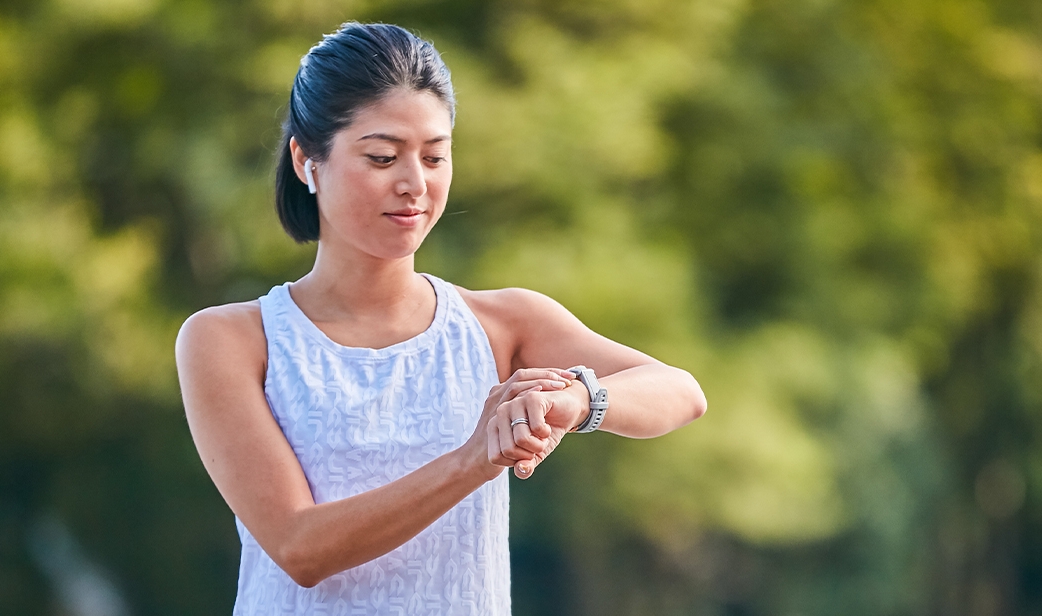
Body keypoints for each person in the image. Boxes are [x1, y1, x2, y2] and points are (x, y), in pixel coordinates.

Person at [174, 22, 706, 615]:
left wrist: (573, 401)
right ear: (306, 160)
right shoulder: (230, 339)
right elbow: (301, 548)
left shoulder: (503, 322)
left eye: (435, 156)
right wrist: (473, 460)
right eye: (382, 157)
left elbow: (680, 392)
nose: (414, 184)